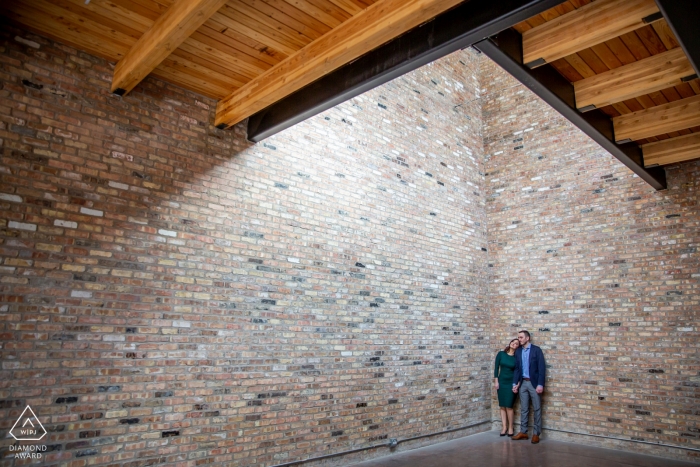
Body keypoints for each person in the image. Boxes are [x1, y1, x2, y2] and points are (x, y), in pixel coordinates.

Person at [511, 330, 546, 444]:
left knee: (537, 408)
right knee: (524, 409)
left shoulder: (536, 350)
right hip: (523, 384)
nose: (519, 339)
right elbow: (517, 369)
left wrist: (540, 384)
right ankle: (523, 432)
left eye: (521, 337)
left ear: (527, 338)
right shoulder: (518, 351)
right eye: (518, 337)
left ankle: (536, 434)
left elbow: (542, 368)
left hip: (534, 383)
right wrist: (515, 384)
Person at [494, 338, 519, 436]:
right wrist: (496, 381)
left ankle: (511, 427)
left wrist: (517, 384)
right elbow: (496, 368)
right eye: (513, 342)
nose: (514, 344)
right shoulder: (501, 354)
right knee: (502, 406)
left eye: (516, 344)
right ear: (510, 343)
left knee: (509, 406)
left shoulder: (517, 357)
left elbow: (518, 372)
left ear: (518, 347)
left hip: (511, 383)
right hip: (501, 382)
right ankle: (504, 427)